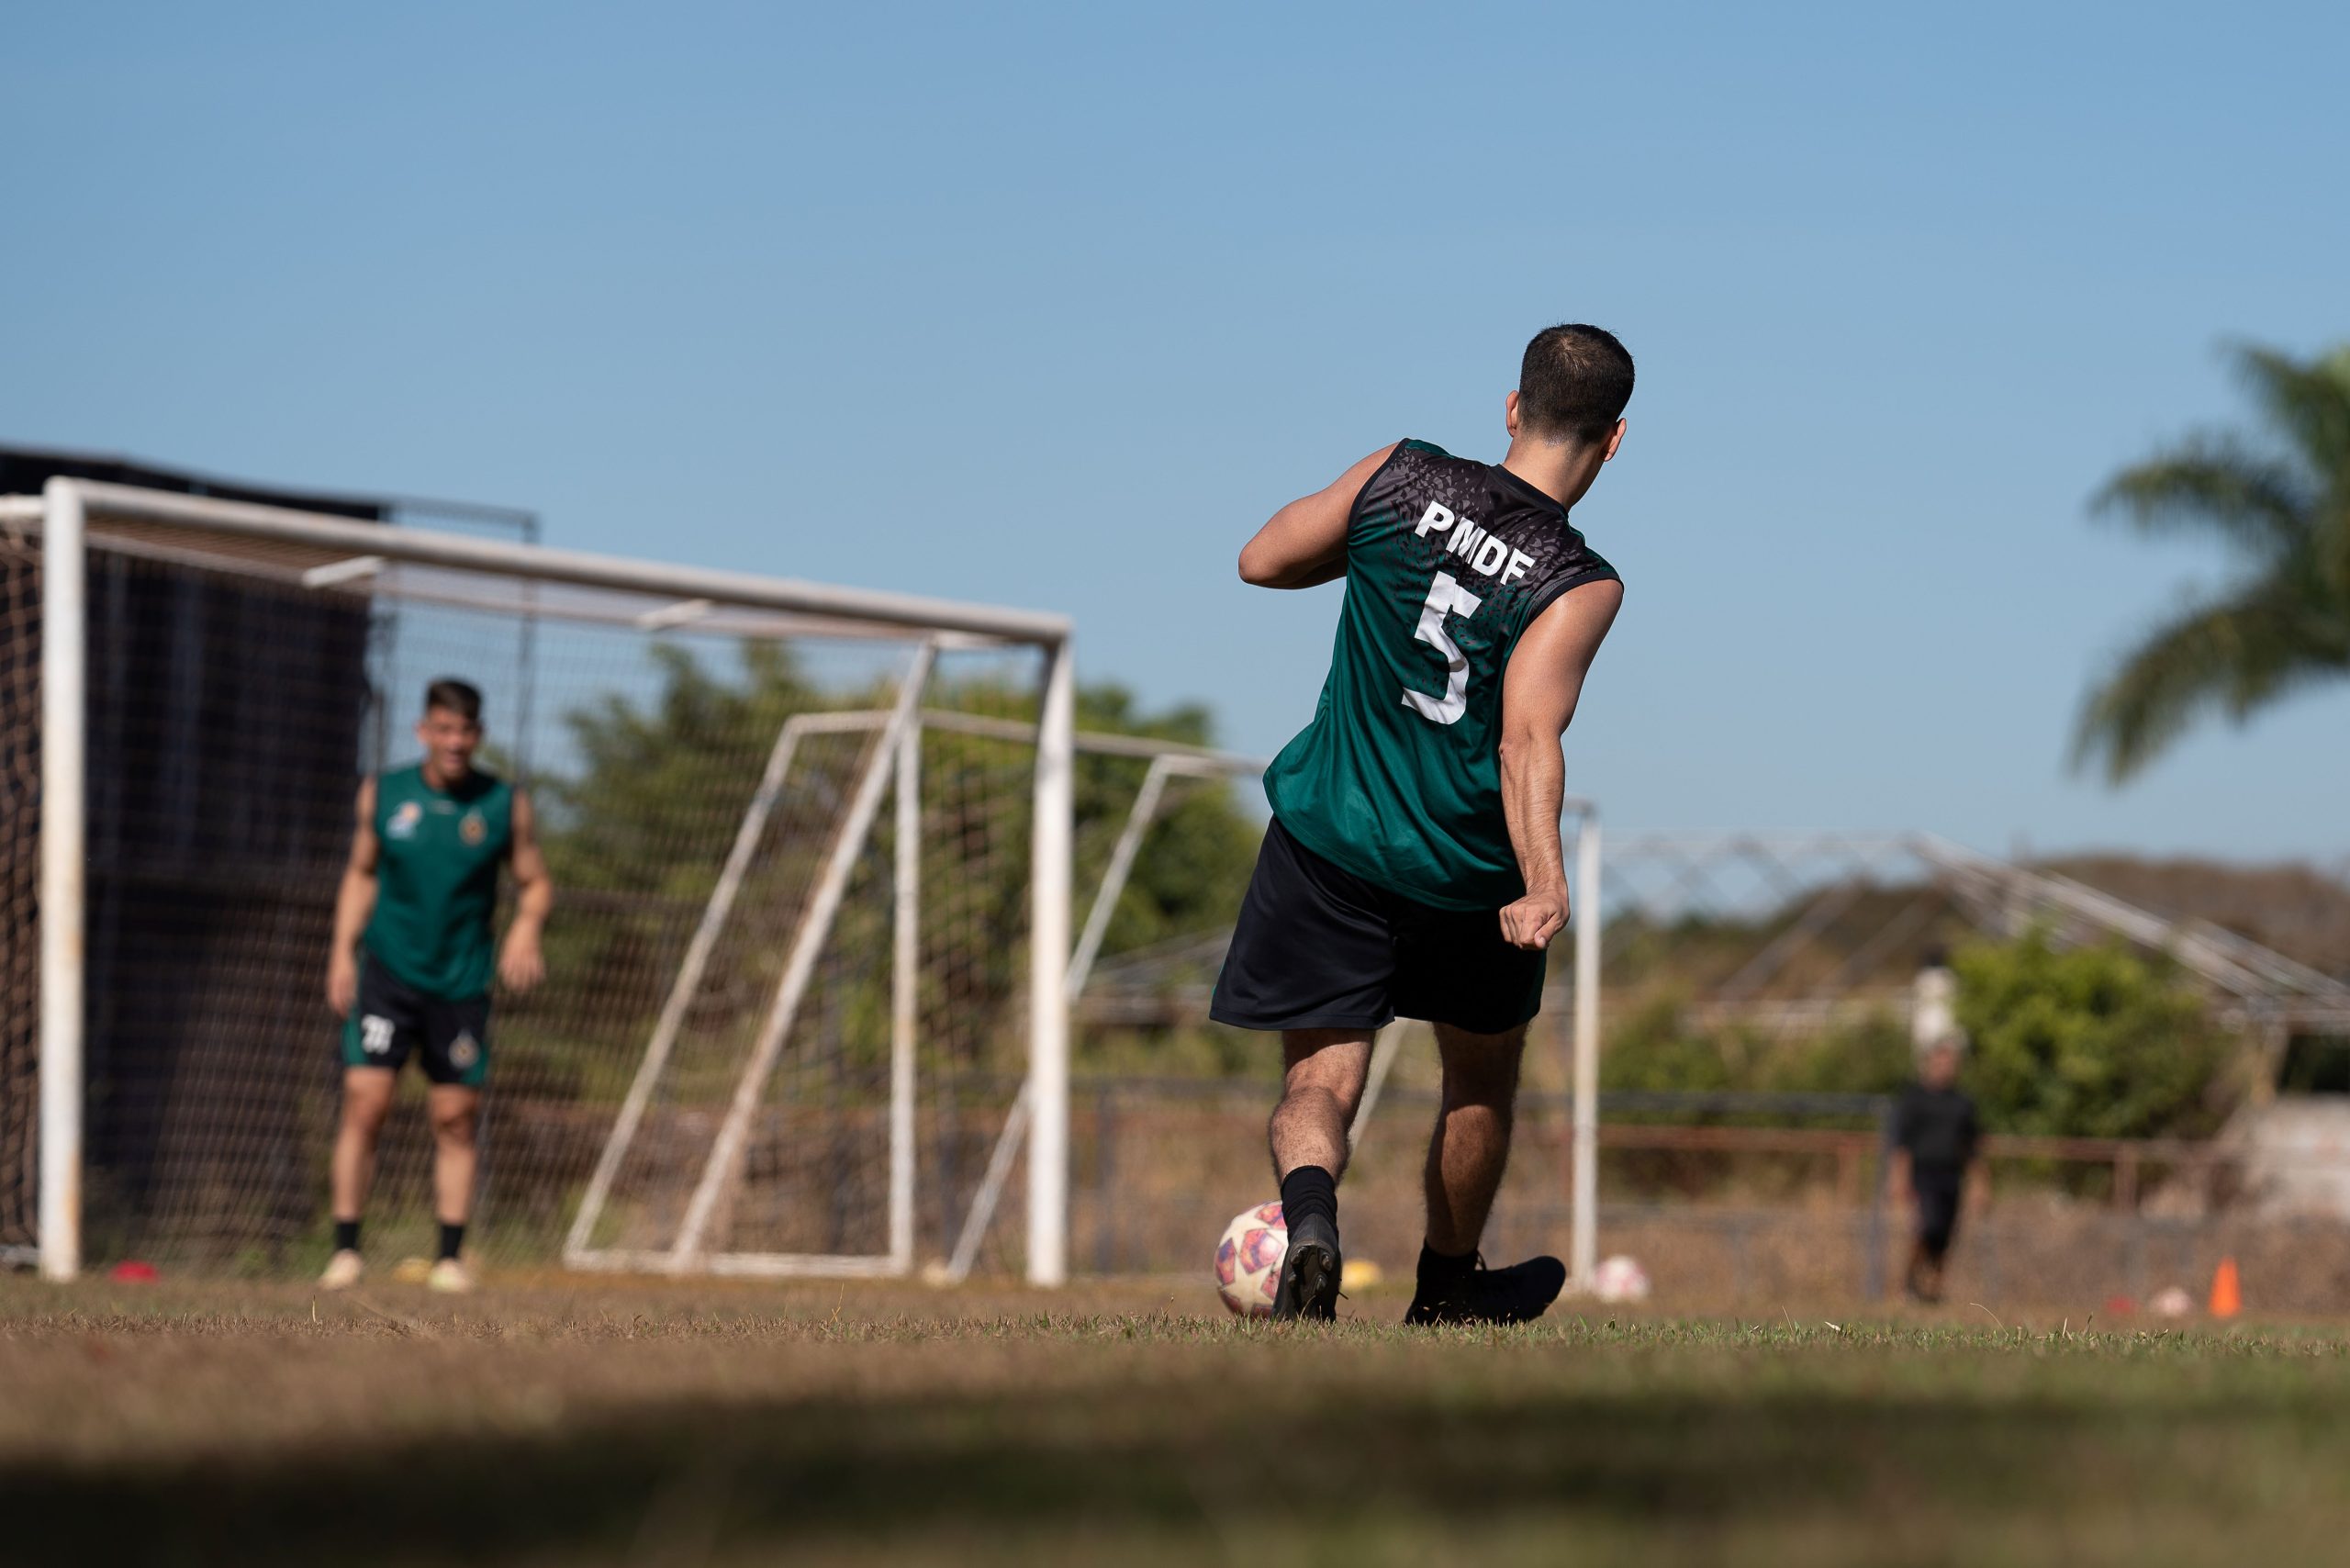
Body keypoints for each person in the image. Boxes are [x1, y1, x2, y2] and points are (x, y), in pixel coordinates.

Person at [1214, 324, 1631, 1323]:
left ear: (1512, 407)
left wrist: (1371, 550)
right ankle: (1445, 1287)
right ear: (1613, 440)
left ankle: (1310, 1221)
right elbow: (1528, 737)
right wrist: (1543, 879)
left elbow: (1261, 560)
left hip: (1332, 841)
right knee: (1479, 1075)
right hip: (1465, 873)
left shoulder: (1399, 477)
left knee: (1321, 1073)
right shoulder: (1577, 581)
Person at [320, 678, 553, 1292]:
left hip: (461, 982)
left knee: (454, 1117)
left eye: (466, 731)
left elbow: (535, 882)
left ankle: (449, 1258)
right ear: (424, 731)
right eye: (443, 730)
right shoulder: (385, 793)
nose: (454, 742)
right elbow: (361, 872)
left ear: (478, 736)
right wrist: (342, 951)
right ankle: (346, 1251)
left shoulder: (503, 803)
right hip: (389, 975)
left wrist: (527, 930)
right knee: (365, 1101)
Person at [1890, 1036, 1982, 1305]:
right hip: (1923, 1174)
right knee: (1925, 1228)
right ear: (1929, 1064)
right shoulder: (1914, 1098)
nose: (1946, 1067)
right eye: (1941, 1062)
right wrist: (1898, 1179)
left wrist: (1980, 1183)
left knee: (1945, 1236)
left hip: (1952, 1176)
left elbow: (1973, 1148)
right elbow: (1902, 1144)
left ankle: (1934, 1291)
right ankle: (1908, 1282)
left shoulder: (1963, 1103)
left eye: (1951, 1062)